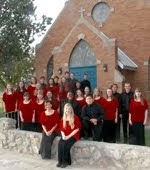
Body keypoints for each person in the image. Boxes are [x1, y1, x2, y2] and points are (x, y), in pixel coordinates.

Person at [56, 103, 81, 168]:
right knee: (60, 143)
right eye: (66, 109)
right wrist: (63, 135)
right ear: (64, 110)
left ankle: (65, 162)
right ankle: (60, 161)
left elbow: (77, 129)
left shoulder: (75, 117)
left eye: (69, 109)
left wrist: (68, 136)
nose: (67, 110)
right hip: (65, 134)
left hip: (73, 135)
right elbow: (61, 129)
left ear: (71, 110)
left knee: (65, 145)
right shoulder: (63, 118)